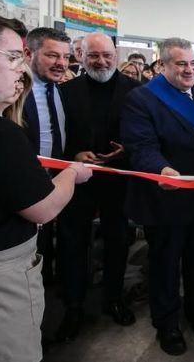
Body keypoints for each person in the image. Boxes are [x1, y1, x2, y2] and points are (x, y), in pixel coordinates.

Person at [0, 11, 92, 362]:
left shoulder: (71, 92)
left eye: (66, 57)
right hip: (3, 258)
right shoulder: (0, 124)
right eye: (14, 58)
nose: (20, 71)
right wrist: (72, 174)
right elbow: (42, 207)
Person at [121, 37, 194, 356]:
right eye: (181, 63)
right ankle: (166, 323)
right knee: (165, 264)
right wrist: (162, 169)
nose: (189, 69)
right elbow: (141, 147)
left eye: (193, 63)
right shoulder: (141, 98)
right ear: (162, 65)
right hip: (165, 200)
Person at [55, 33, 140, 340]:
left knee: (118, 241)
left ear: (116, 55)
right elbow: (57, 136)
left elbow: (143, 134)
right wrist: (73, 154)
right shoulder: (65, 91)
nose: (101, 61)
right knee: (73, 242)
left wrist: (126, 150)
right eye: (93, 56)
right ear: (81, 56)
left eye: (106, 55)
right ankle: (74, 306)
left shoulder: (135, 90)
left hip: (118, 178)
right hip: (77, 179)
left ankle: (113, 299)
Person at [23, 27, 72, 284]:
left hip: (55, 186)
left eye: (65, 57)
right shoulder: (14, 91)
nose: (61, 64)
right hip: (23, 190)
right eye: (52, 56)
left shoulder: (60, 90)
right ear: (28, 52)